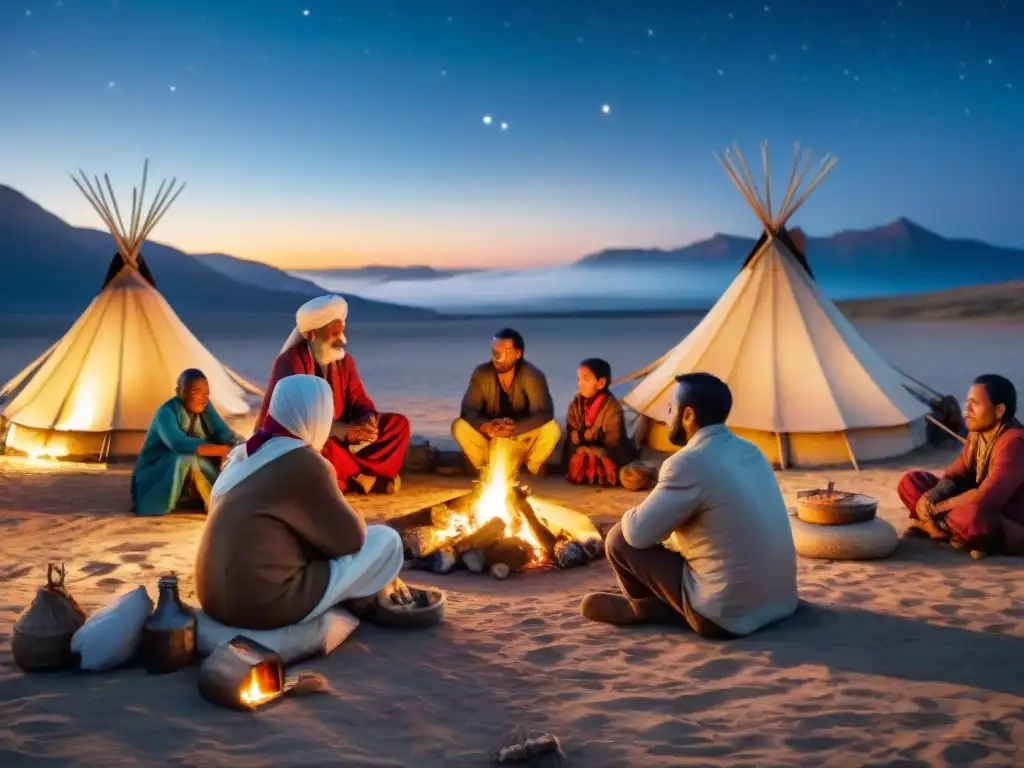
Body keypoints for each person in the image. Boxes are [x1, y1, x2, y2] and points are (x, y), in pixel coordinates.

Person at [580, 372, 798, 638]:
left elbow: (637, 534)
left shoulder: (688, 462)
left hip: (725, 617)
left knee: (618, 538)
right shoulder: (751, 451)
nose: (666, 414)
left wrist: (634, 514)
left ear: (688, 415)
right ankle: (661, 606)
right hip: (782, 601)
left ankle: (648, 607)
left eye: (671, 407)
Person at [195, 374, 407, 631]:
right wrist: (356, 518)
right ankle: (362, 598)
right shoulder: (303, 462)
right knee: (386, 540)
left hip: (211, 599)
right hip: (262, 606)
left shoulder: (243, 455)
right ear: (318, 415)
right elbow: (350, 540)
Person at [256, 294, 411, 494]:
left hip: (345, 436)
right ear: (310, 334)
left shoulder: (344, 361)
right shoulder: (290, 362)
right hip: (310, 435)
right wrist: (344, 431)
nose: (341, 339)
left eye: (341, 332)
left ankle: (350, 475)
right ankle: (360, 478)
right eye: (334, 333)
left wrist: (367, 420)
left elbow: (359, 399)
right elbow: (297, 420)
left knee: (397, 425)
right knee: (309, 446)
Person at [897, 374, 1024, 554]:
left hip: (1006, 518)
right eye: (967, 402)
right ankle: (944, 528)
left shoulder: (1015, 442)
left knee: (973, 518)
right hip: (967, 503)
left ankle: (935, 527)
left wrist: (937, 508)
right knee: (911, 482)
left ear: (999, 411)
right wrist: (931, 497)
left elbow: (987, 497)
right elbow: (956, 473)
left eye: (975, 403)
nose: (967, 408)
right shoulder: (977, 433)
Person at [130, 369, 242, 517]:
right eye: (197, 392)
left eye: (206, 393)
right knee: (186, 458)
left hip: (189, 466)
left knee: (237, 453)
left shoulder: (204, 406)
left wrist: (238, 446)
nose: (204, 398)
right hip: (154, 477)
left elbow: (224, 433)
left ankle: (224, 497)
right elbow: (178, 444)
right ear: (182, 392)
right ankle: (216, 502)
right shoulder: (166, 412)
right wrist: (220, 450)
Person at [451, 328, 561, 477]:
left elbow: (543, 413)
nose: (498, 356)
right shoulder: (482, 373)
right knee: (460, 426)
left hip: (520, 438)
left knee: (552, 429)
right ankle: (485, 473)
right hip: (491, 437)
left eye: (506, 351)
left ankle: (527, 473)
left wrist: (514, 429)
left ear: (518, 354)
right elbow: (469, 410)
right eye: (495, 351)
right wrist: (487, 426)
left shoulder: (532, 375)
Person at [561, 358, 637, 486]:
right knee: (578, 459)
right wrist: (582, 446)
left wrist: (595, 448)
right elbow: (572, 433)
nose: (580, 384)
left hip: (608, 451)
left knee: (608, 465)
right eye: (579, 379)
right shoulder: (575, 405)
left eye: (586, 379)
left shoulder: (612, 408)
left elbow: (614, 440)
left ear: (601, 383)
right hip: (582, 449)